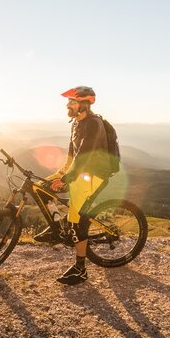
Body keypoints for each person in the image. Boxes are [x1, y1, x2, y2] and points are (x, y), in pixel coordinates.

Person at [34, 86, 111, 285]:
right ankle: (57, 227)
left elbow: (84, 156)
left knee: (77, 220)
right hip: (78, 171)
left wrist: (66, 179)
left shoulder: (93, 124)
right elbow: (72, 154)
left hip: (93, 175)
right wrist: (62, 172)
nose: (67, 105)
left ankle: (80, 269)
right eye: (68, 102)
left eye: (71, 102)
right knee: (40, 189)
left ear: (83, 105)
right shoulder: (77, 123)